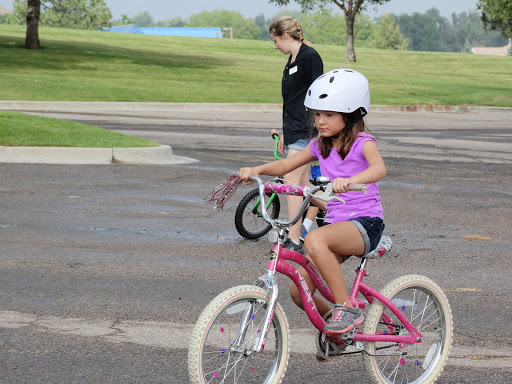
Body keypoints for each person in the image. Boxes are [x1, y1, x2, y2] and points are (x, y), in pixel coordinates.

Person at [239, 69, 386, 335]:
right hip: (336, 226)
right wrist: (257, 170)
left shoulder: (363, 143)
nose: (320, 121)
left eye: (328, 114)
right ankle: (340, 328)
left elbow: (378, 169)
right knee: (299, 291)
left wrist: (351, 180)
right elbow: (287, 164)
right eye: (317, 114)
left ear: (351, 114)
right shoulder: (319, 145)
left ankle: (346, 308)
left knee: (314, 240)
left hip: (366, 223)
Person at [269, 16, 324, 254]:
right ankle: (348, 210)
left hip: (307, 130)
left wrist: (321, 130)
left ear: (284, 35)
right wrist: (284, 133)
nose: (275, 46)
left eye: (275, 40)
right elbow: (291, 101)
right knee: (303, 185)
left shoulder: (309, 57)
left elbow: (320, 95)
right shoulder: (290, 61)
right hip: (293, 130)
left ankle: (294, 238)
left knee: (291, 180)